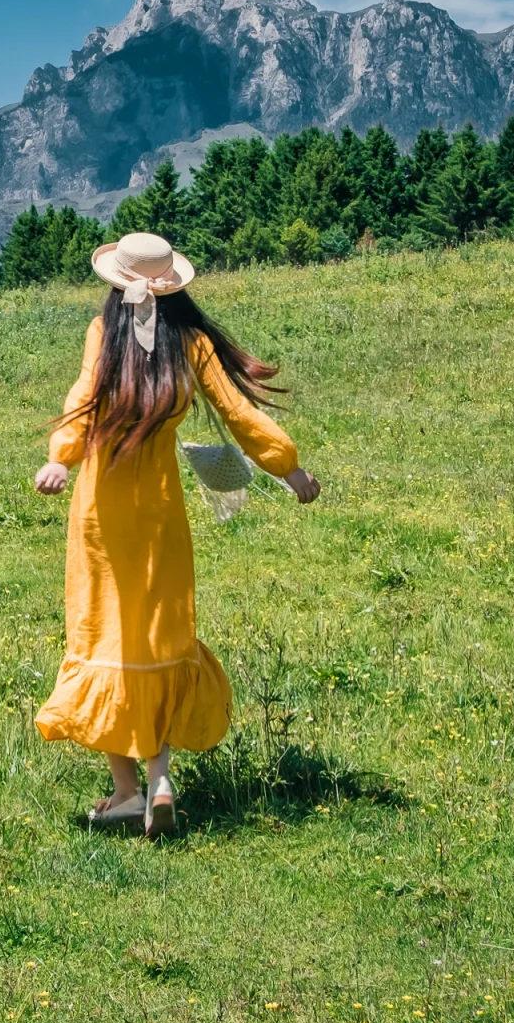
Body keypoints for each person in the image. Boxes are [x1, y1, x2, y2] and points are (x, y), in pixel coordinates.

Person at [33, 233, 320, 838]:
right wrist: (288, 467)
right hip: (159, 511)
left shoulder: (102, 333)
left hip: (102, 510)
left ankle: (126, 792)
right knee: (158, 632)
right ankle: (160, 778)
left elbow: (83, 401)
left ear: (117, 285)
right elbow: (241, 414)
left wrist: (62, 457)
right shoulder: (190, 342)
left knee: (108, 631)